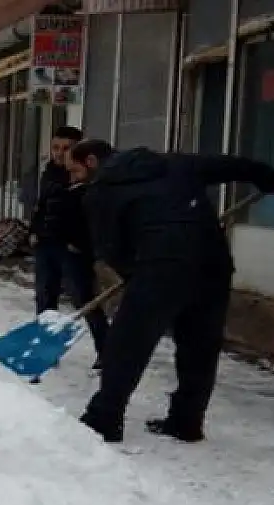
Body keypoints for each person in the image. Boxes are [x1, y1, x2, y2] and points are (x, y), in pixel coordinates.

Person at [67, 139, 274, 443]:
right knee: (200, 348)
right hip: (211, 266)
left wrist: (133, 272)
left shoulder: (101, 192)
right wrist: (265, 177)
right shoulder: (175, 164)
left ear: (92, 162)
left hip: (159, 268)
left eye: (75, 172)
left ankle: (105, 418)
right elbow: (237, 166)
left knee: (127, 345)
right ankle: (186, 421)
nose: (74, 179)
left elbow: (110, 247)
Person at [28, 126, 108, 372]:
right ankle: (46, 350)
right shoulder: (48, 174)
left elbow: (95, 218)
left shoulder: (87, 177)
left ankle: (107, 353)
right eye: (55, 148)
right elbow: (42, 206)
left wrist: (83, 245)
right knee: (45, 298)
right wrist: (34, 230)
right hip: (46, 244)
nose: (59, 154)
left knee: (85, 301)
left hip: (72, 249)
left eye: (66, 149)